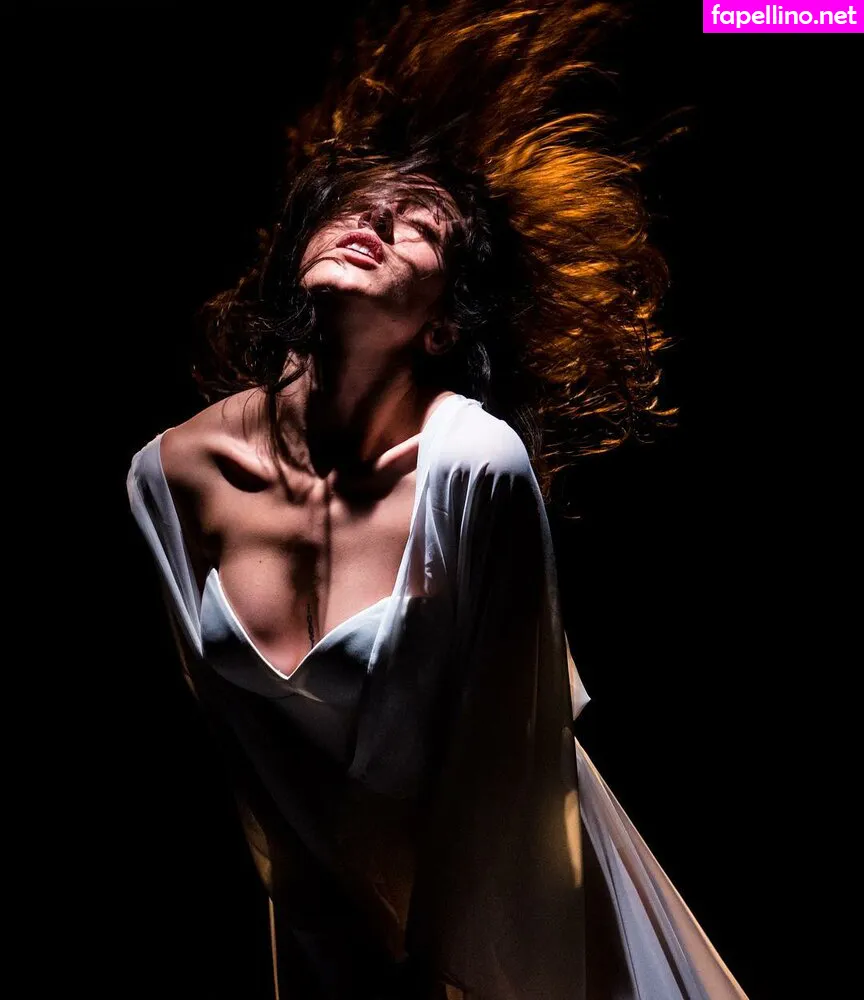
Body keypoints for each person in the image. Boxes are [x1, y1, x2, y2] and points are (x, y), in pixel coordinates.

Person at [127, 2, 749, 998]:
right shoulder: (169, 476)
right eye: (358, 203)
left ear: (443, 324)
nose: (374, 219)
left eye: (422, 223)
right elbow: (253, 777)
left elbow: (504, 772)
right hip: (340, 942)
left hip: (522, 917)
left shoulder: (475, 468)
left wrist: (432, 970)